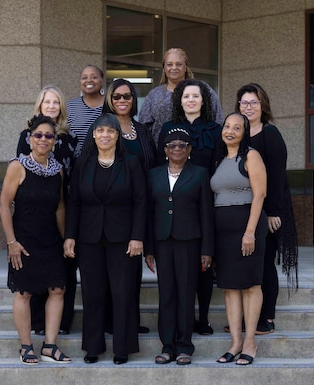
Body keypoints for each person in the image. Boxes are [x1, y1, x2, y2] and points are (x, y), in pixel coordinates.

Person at [63, 113, 147, 365]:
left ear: (117, 136)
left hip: (123, 239)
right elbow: (74, 202)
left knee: (122, 293)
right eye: (100, 131)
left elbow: (141, 201)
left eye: (110, 131)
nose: (105, 135)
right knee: (93, 293)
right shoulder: (83, 163)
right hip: (89, 238)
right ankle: (93, 346)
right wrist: (70, 236)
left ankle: (122, 347)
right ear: (94, 135)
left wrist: (137, 237)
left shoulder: (131, 162)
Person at [81, 78, 157, 334]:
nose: (122, 100)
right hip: (112, 209)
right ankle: (108, 323)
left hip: (140, 204)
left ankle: (128, 323)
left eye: (127, 96)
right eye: (116, 97)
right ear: (109, 101)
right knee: (107, 274)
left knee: (129, 271)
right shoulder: (102, 129)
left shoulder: (143, 131)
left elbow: (154, 165)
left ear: (133, 100)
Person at [0, 114, 71, 365]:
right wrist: (11, 242)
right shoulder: (17, 167)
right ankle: (26, 346)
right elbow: (4, 205)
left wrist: (65, 239)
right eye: (38, 135)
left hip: (50, 238)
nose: (43, 139)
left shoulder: (58, 171)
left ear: (54, 141)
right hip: (24, 240)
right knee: (24, 292)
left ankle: (50, 346)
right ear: (30, 139)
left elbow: (60, 207)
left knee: (58, 289)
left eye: (49, 136)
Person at [157, 78, 221, 335]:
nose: (191, 100)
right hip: (178, 201)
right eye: (186, 96)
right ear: (179, 100)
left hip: (208, 200)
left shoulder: (216, 129)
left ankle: (202, 318)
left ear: (203, 100)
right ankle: (178, 322)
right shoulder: (169, 128)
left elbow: (219, 163)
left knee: (204, 264)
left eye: (196, 96)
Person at [146, 128, 214, 366]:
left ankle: (185, 346)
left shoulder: (200, 174)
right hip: (162, 241)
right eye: (172, 145)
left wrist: (207, 249)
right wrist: (149, 248)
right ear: (165, 150)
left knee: (186, 294)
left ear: (189, 149)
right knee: (167, 294)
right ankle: (167, 346)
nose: (177, 149)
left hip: (190, 242)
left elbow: (206, 214)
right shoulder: (153, 175)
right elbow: (149, 213)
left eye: (182, 145)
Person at [235, 83, 298, 334]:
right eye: (244, 103)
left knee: (264, 263)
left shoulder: (270, 134)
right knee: (248, 265)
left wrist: (273, 211)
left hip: (268, 210)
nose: (248, 107)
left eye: (254, 103)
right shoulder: (237, 134)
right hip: (242, 209)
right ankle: (248, 318)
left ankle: (266, 317)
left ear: (263, 106)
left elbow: (277, 177)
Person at [16, 85, 78, 336]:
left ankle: (63, 322)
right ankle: (38, 322)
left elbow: (72, 176)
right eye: (46, 102)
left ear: (61, 107)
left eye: (55, 102)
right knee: (36, 267)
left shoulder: (70, 139)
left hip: (63, 206)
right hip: (34, 213)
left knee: (64, 267)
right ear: (39, 106)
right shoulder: (26, 135)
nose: (51, 106)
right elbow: (20, 173)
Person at [211, 112, 267, 365]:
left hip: (247, 226)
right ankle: (235, 342)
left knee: (250, 285)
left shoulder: (251, 156)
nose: (230, 131)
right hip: (222, 231)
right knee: (230, 286)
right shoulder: (220, 159)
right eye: (227, 126)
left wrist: (250, 232)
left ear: (245, 133)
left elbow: (259, 195)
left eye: (237, 127)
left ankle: (250, 342)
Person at [138, 47, 223, 146]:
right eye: (169, 64)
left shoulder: (203, 89)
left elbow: (218, 119)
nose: (174, 68)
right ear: (164, 68)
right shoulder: (154, 95)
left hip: (201, 151)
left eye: (179, 64)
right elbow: (144, 128)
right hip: (161, 154)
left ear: (186, 66)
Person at [67, 64, 105, 157]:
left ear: (102, 81)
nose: (88, 80)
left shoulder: (112, 105)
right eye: (84, 77)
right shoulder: (70, 107)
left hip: (107, 164)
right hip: (76, 165)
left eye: (94, 77)